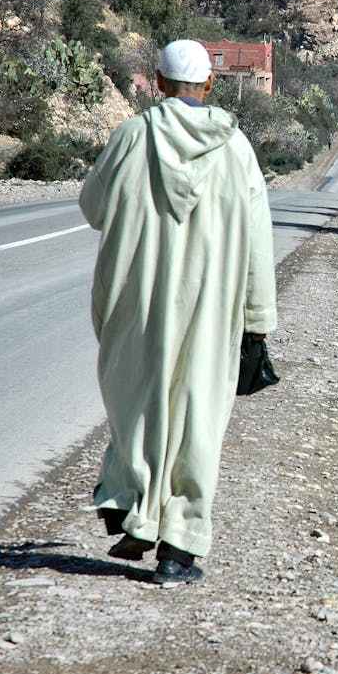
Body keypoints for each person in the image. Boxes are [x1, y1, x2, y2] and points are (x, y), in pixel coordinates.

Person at [79, 39, 277, 585]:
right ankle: (178, 550)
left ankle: (128, 502)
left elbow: (93, 208)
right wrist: (258, 320)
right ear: (209, 86)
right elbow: (259, 238)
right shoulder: (235, 149)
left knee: (137, 401)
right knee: (196, 419)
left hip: (138, 302)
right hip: (210, 310)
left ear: (159, 83)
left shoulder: (130, 136)